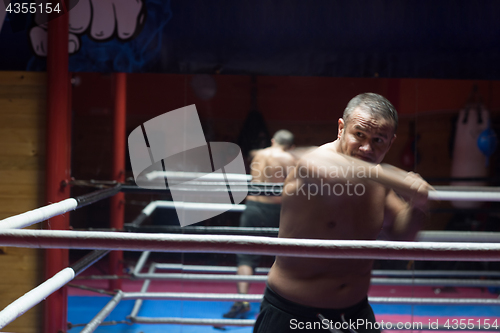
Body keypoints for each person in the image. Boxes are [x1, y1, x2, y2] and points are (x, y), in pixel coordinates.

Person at [253, 93, 433, 332]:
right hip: (292, 313)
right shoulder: (315, 162)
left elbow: (402, 234)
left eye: (379, 140)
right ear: (341, 128)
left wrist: (418, 205)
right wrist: (401, 179)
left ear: (391, 142)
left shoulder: (379, 180)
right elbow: (337, 173)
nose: (367, 147)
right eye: (359, 135)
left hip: (355, 314)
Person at [223, 129, 297, 319]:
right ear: (291, 146)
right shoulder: (291, 159)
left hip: (253, 206)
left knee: (246, 257)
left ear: (273, 140)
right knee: (284, 257)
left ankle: (241, 300)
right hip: (278, 210)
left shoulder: (257, 154)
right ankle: (283, 305)